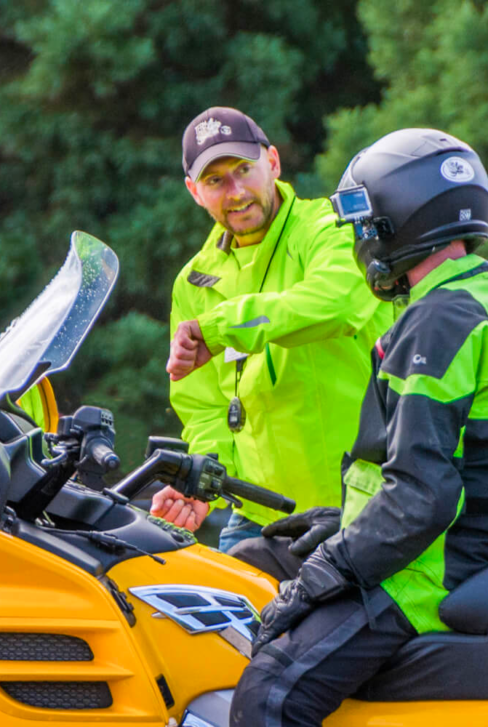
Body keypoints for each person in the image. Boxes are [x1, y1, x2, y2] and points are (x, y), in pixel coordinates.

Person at [229, 129, 488, 727]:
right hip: (470, 547)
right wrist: (343, 527)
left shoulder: (436, 323)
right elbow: (471, 463)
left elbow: (423, 497)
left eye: (362, 217)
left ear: (397, 218)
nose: (359, 237)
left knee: (270, 693)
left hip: (426, 573)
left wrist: (331, 568)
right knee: (248, 560)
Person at [157, 107, 393, 551]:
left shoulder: (329, 228)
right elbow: (204, 407)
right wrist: (203, 478)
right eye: (215, 181)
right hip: (259, 517)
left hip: (362, 510)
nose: (237, 191)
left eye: (245, 170)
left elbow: (337, 303)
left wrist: (223, 328)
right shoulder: (193, 282)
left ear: (274, 162)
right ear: (194, 191)